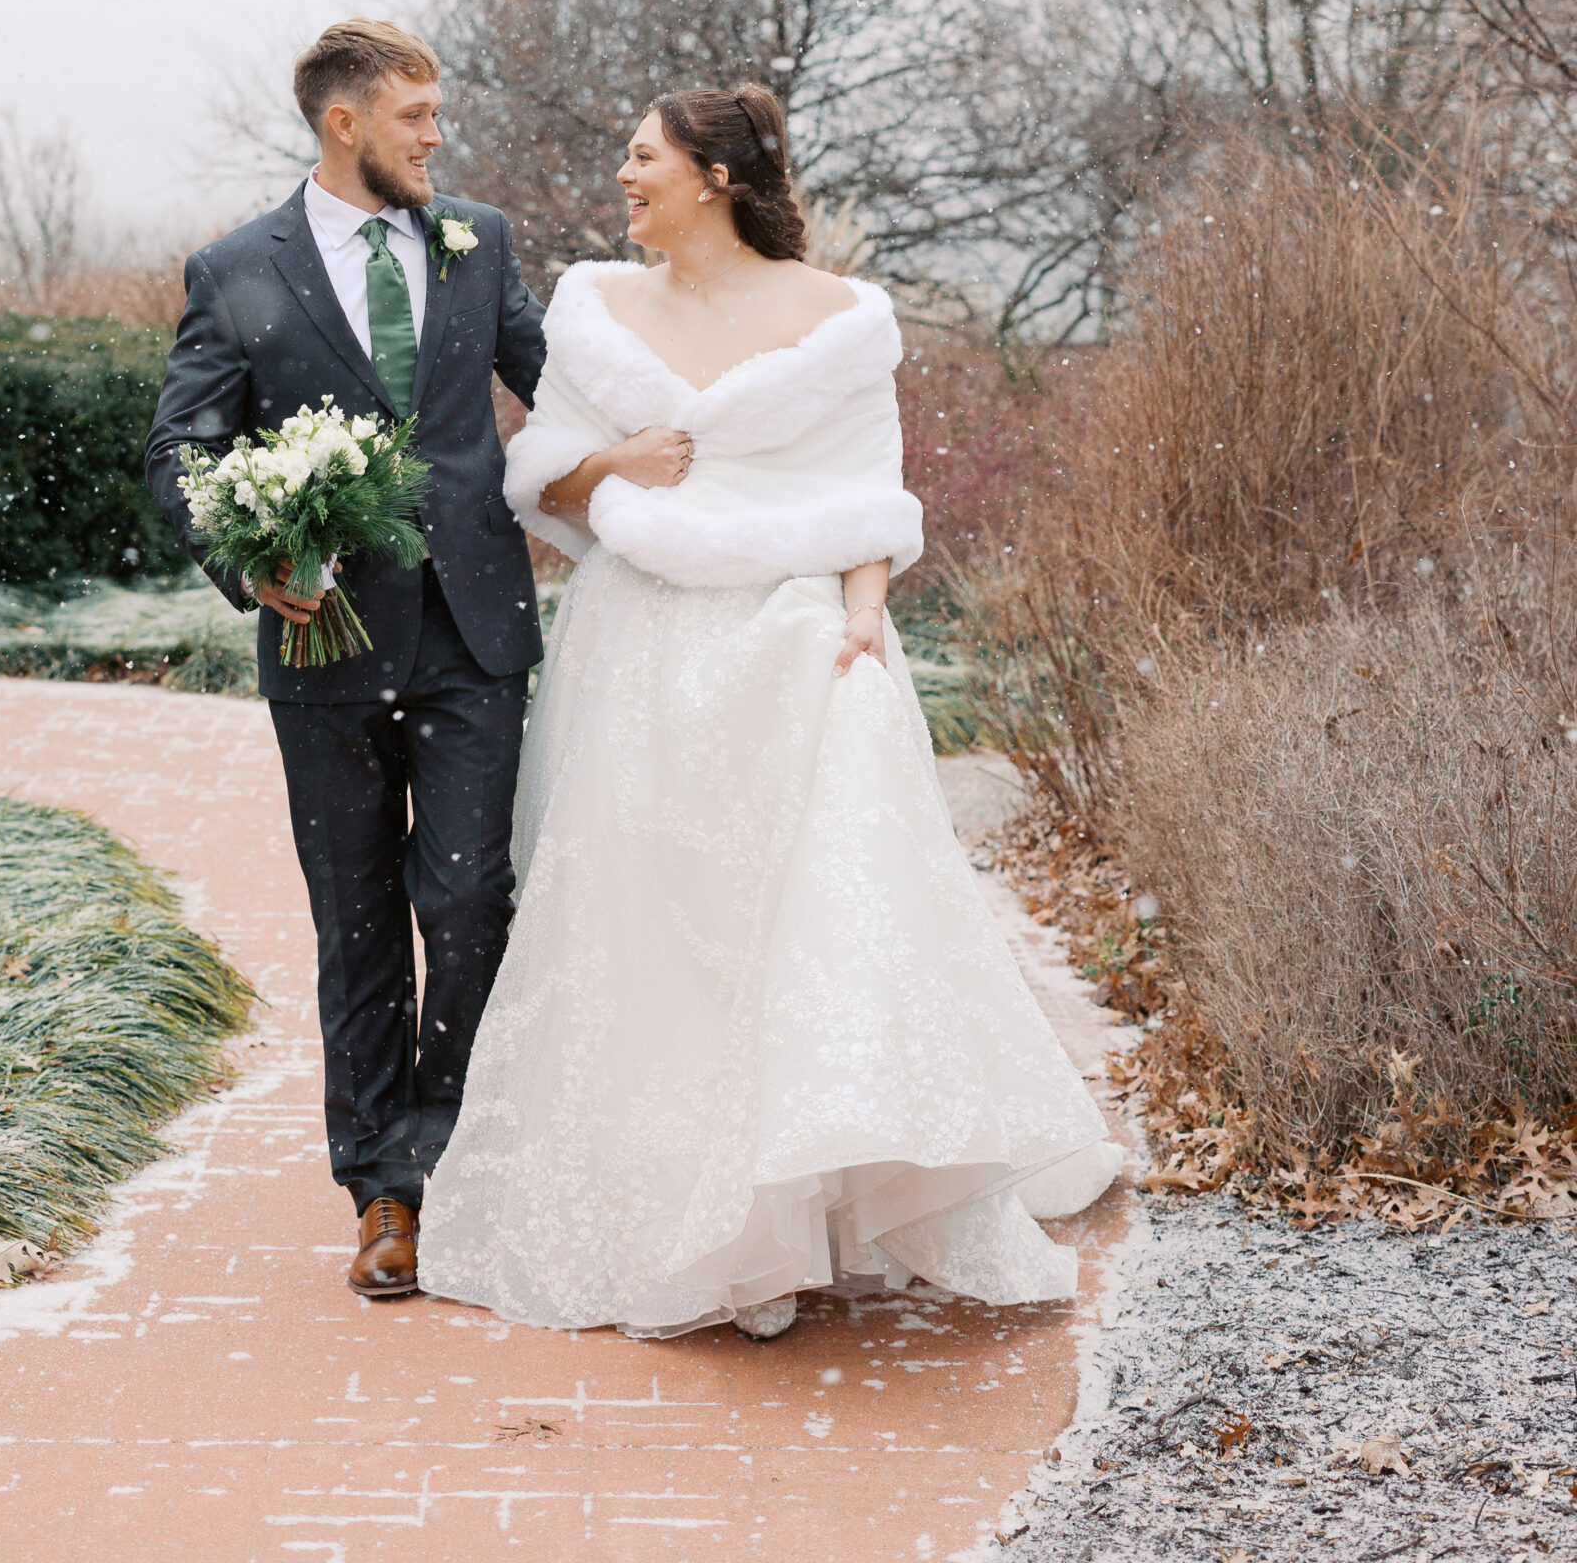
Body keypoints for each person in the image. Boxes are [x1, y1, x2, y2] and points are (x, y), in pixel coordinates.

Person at [417, 83, 1121, 1340]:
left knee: (791, 914)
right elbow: (544, 477)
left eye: (643, 158)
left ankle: (783, 1209)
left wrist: (862, 614)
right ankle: (688, 1212)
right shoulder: (596, 308)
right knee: (647, 923)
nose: (624, 176)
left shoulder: (839, 320)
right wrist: (612, 465)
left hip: (791, 631)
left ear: (713, 176)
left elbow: (867, 488)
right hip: (638, 643)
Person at [144, 19, 546, 1301]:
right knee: (358, 917)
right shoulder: (237, 269)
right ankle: (379, 1187)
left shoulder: (475, 241)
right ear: (346, 122)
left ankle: (450, 1154)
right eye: (417, 115)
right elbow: (183, 449)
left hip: (475, 634)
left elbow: (570, 387)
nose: (437, 139)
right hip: (325, 643)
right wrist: (246, 562)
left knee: (472, 897)